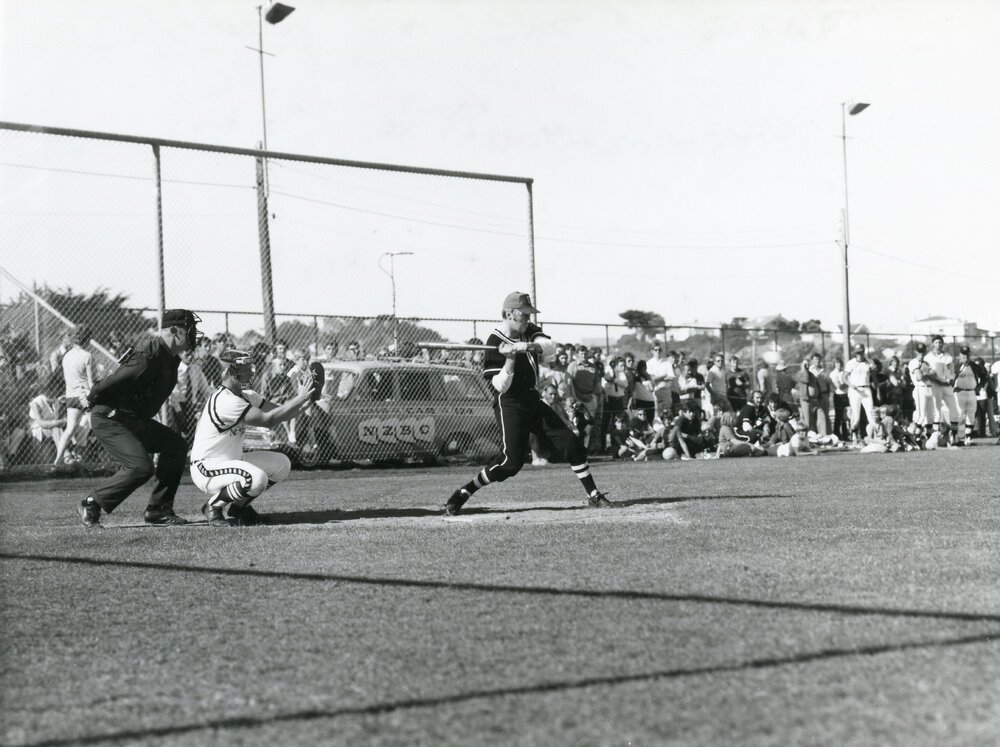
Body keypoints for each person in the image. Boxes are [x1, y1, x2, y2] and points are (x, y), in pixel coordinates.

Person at [444, 292, 612, 515]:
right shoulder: (495, 342)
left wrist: (529, 347)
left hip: (533, 400)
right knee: (510, 464)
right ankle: (465, 491)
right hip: (509, 404)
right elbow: (501, 386)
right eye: (523, 315)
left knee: (571, 444)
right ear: (509, 314)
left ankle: (593, 495)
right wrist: (510, 358)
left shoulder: (529, 331)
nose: (527, 319)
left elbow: (550, 348)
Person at [78, 309, 203, 528]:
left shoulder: (170, 356)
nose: (194, 334)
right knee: (140, 467)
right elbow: (110, 383)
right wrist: (90, 398)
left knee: (175, 446)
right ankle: (92, 503)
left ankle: (158, 510)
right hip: (110, 417)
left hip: (132, 418)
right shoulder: (149, 357)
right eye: (189, 329)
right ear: (174, 331)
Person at [189, 349, 316, 526]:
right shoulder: (225, 400)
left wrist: (306, 400)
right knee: (256, 478)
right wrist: (300, 398)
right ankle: (213, 507)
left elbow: (280, 412)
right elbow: (269, 420)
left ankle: (239, 508)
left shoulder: (247, 395)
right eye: (246, 367)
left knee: (282, 464)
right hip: (207, 467)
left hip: (232, 462)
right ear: (232, 372)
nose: (251, 371)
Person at [53, 325, 94, 467]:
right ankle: (120, 459)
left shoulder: (66, 356)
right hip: (85, 396)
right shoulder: (87, 356)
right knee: (98, 427)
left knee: (69, 429)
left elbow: (67, 379)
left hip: (71, 396)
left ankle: (57, 461)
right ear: (87, 339)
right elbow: (91, 382)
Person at [924, 335, 960, 447]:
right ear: (932, 344)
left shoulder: (947, 356)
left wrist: (952, 379)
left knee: (954, 410)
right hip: (936, 386)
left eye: (940, 342)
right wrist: (939, 381)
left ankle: (954, 437)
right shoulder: (928, 357)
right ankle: (933, 437)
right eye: (936, 342)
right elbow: (928, 373)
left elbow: (952, 370)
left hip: (947, 386)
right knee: (937, 412)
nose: (938, 344)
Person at [844, 344, 877, 445]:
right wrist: (850, 384)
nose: (859, 354)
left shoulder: (869, 362)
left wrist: (877, 390)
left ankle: (874, 438)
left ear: (864, 351)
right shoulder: (851, 363)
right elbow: (844, 377)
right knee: (856, 418)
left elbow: (874, 377)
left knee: (871, 416)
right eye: (857, 352)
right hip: (855, 390)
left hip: (866, 389)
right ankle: (854, 436)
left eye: (861, 352)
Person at [952, 346, 979, 446]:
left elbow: (985, 376)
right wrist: (952, 388)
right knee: (959, 415)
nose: (965, 356)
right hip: (960, 393)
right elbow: (951, 377)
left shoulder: (974, 366)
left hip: (971, 392)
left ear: (970, 355)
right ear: (960, 355)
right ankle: (956, 438)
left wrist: (979, 387)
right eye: (963, 354)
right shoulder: (956, 365)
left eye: (967, 354)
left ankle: (968, 438)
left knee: (971, 415)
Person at [794, 357, 820, 436]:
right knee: (807, 421)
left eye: (808, 365)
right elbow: (806, 380)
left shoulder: (810, 374)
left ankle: (814, 436)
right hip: (805, 400)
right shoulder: (800, 374)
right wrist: (804, 369)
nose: (807, 366)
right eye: (805, 364)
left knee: (813, 421)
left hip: (813, 400)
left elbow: (815, 383)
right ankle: (805, 437)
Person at [630, 359, 657, 426]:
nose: (644, 370)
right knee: (640, 421)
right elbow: (632, 388)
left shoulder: (648, 377)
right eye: (642, 368)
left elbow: (652, 388)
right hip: (640, 401)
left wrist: (648, 378)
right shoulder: (636, 378)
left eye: (645, 368)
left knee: (650, 420)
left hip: (650, 401)